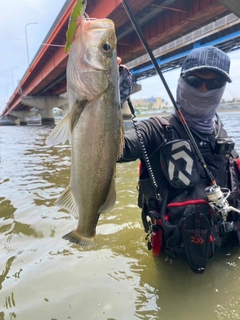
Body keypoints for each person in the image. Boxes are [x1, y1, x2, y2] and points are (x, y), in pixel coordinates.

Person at [118, 46, 240, 273]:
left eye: (213, 84)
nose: (204, 89)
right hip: (176, 264)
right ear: (182, 81)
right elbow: (115, 151)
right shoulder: (154, 131)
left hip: (226, 256)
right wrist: (107, 102)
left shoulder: (222, 135)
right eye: (195, 80)